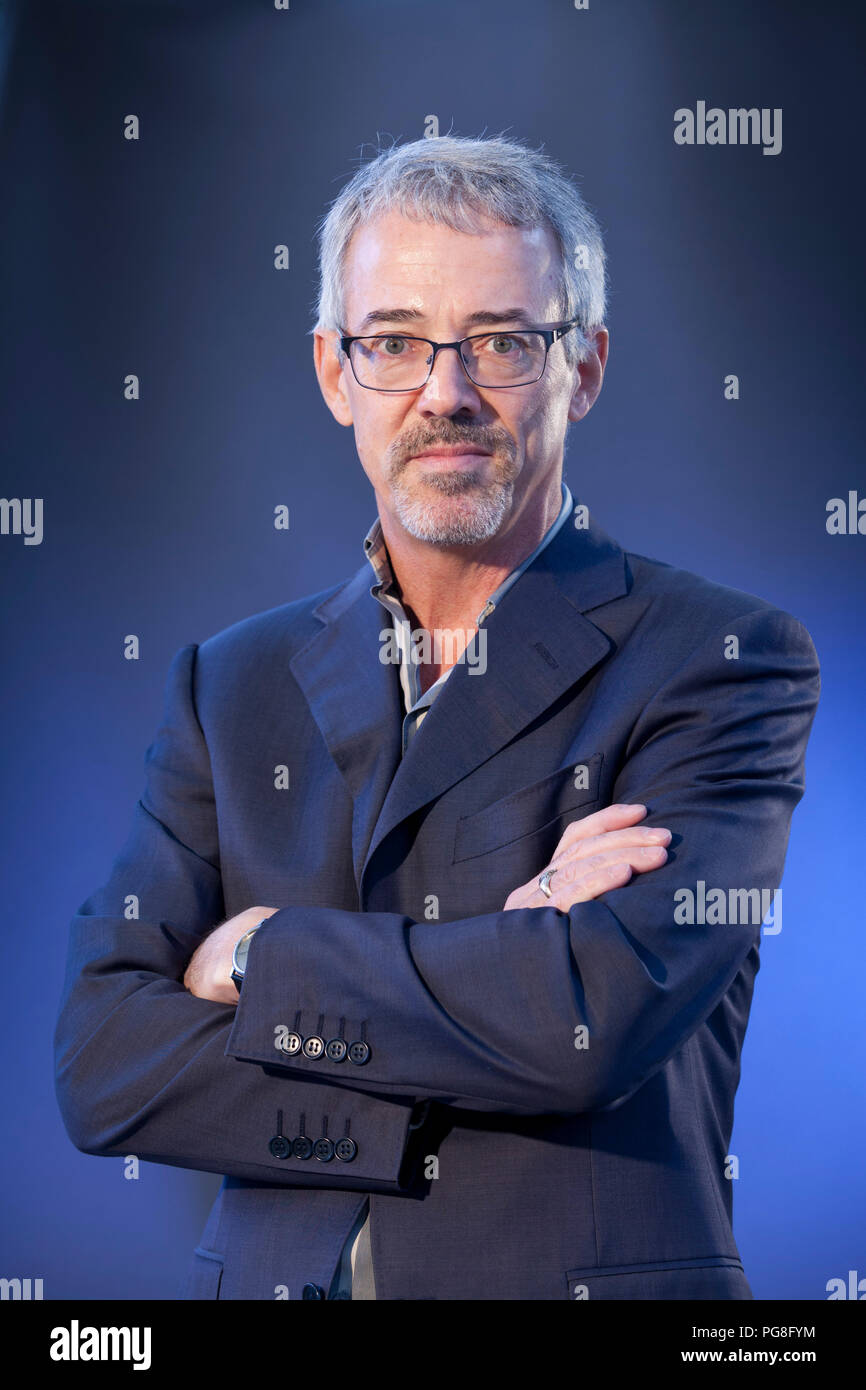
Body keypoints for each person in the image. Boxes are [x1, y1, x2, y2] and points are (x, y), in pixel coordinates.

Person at [54, 134, 820, 1300]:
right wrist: (487, 981)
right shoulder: (230, 681)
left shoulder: (719, 660)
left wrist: (260, 952)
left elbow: (584, 1021)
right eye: (395, 342)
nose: (445, 392)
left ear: (585, 366)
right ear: (333, 371)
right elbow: (105, 1062)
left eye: (504, 342)